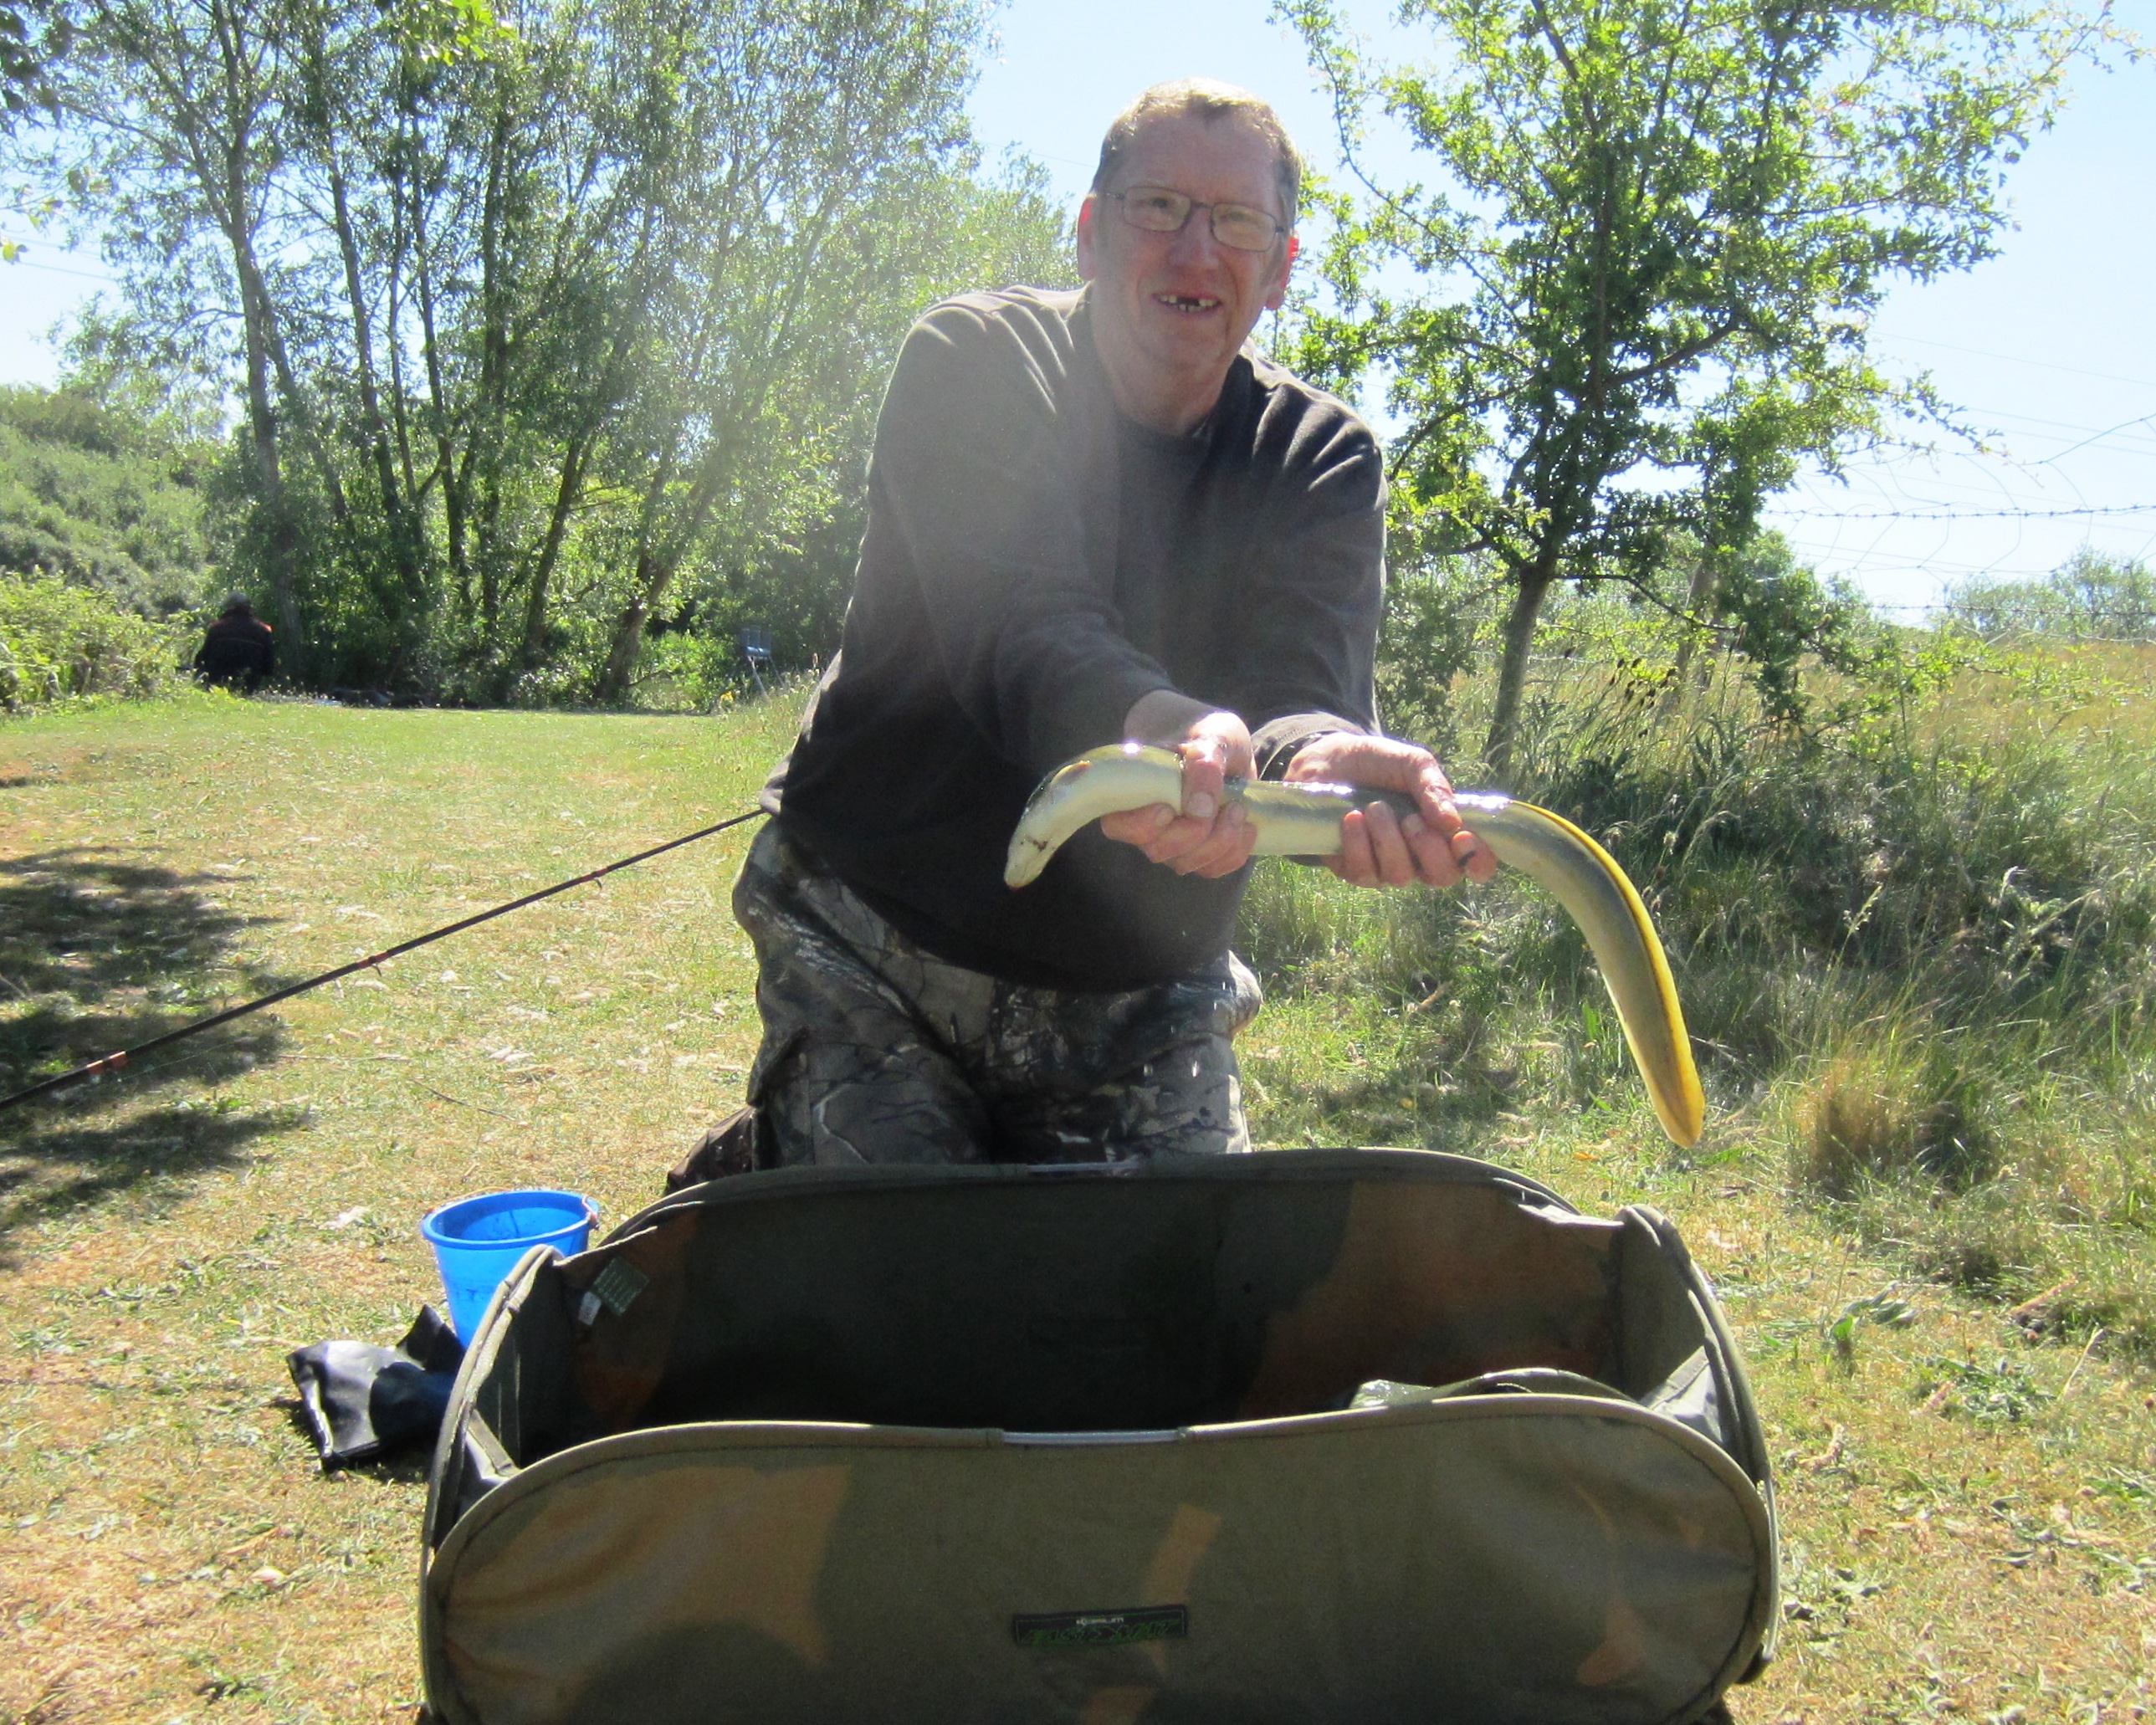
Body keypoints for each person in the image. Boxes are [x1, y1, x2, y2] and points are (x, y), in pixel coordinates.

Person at [725, 78, 1494, 1173]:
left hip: (1142, 991)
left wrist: (1314, 762)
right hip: (873, 933)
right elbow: (1022, 624)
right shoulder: (973, 361)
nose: (1194, 251)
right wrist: (1167, 724)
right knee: (900, 1296)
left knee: (1166, 1307)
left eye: (1236, 223)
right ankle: (787, 1147)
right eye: (1156, 207)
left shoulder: (1322, 459)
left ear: (1278, 271)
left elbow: (1298, 699)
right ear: (1089, 234)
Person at [195, 594, 276, 694]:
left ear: (229, 609)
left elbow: (203, 657)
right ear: (250, 608)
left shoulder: (217, 628)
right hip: (249, 683)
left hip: (218, 682)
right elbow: (269, 666)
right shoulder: (264, 630)